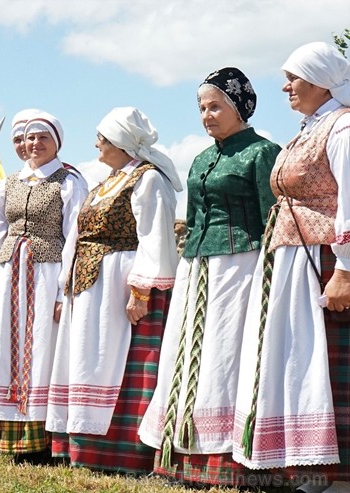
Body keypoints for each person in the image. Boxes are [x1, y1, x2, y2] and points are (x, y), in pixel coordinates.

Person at [138, 68, 282, 486]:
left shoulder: (261, 152)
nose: (206, 114)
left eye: (215, 106)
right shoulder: (201, 158)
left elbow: (270, 216)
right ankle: (176, 454)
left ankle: (226, 460)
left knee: (224, 352)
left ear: (239, 106)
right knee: (183, 353)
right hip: (196, 266)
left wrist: (267, 273)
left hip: (241, 264)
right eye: (201, 107)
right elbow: (197, 217)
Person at [234, 42, 350, 493]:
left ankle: (333, 476)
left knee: (321, 360)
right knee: (297, 360)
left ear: (322, 80)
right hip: (292, 260)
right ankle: (303, 469)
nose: (285, 86)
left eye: (294, 78)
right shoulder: (310, 127)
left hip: (322, 259)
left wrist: (344, 271)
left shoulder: (341, 129)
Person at [45, 107, 181, 474]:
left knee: (115, 360)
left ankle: (122, 453)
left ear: (121, 142)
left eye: (102, 138)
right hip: (91, 287)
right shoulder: (107, 181)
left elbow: (154, 238)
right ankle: (85, 450)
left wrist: (140, 292)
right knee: (89, 359)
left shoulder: (147, 179)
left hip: (121, 285)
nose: (96, 144)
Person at [0, 111, 87, 463]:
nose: (33, 144)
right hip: (9, 273)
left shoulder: (68, 181)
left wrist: (61, 291)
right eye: (25, 138)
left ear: (57, 141)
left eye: (41, 137)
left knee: (42, 350)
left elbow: (75, 237)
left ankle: (42, 440)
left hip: (47, 271)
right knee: (4, 348)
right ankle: (8, 437)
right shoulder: (7, 184)